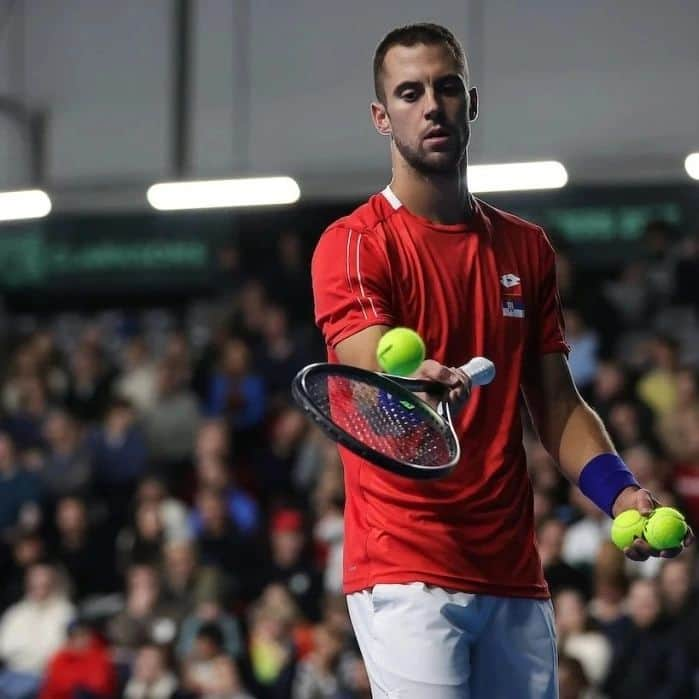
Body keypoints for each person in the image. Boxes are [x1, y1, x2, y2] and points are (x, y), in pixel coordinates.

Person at [310, 22, 694, 698]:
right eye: (408, 92)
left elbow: (555, 404)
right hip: (406, 569)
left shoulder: (526, 249)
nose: (431, 105)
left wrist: (619, 492)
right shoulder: (353, 244)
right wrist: (405, 382)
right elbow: (363, 363)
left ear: (471, 102)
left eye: (446, 87)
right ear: (381, 116)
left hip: (514, 571)